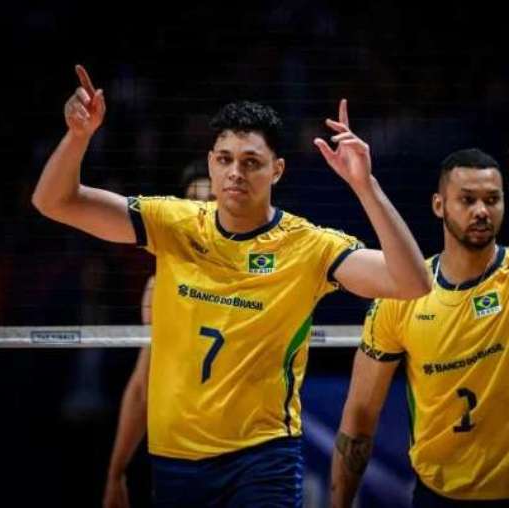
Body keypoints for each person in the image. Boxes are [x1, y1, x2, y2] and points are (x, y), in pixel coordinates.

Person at [32, 65, 431, 507]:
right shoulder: (173, 223)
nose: (235, 172)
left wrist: (365, 186)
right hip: (175, 459)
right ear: (210, 162)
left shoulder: (308, 246)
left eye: (251, 162)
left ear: (277, 170)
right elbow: (53, 201)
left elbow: (412, 283)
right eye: (224, 160)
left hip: (263, 457)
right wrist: (79, 136)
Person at [331, 143, 509, 507]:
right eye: (467, 200)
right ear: (439, 205)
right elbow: (359, 417)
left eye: (492, 199)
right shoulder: (402, 296)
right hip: (439, 498)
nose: (482, 211)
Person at [103, 165, 214, 508]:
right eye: (194, 201)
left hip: (252, 450)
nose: (203, 210)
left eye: (211, 200)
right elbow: (142, 386)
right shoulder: (160, 287)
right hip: (184, 456)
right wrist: (116, 472)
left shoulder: (264, 273)